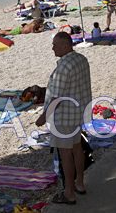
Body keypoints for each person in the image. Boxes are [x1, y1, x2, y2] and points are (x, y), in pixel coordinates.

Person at [36, 32, 92, 205]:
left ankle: (69, 193)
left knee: (65, 155)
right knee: (77, 149)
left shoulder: (63, 68)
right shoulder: (81, 59)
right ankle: (80, 183)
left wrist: (43, 117)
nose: (52, 47)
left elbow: (56, 98)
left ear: (66, 45)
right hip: (78, 113)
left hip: (64, 118)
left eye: (55, 44)